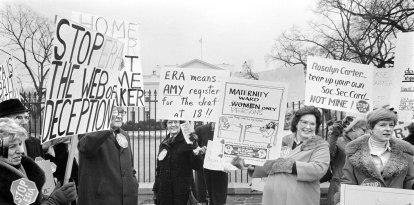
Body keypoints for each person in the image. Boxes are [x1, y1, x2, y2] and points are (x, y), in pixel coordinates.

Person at [233, 106, 330, 205]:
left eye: (312, 124)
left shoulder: (321, 145)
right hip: (273, 197)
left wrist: (289, 165)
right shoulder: (281, 141)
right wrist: (250, 167)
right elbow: (271, 166)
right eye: (304, 122)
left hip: (300, 199)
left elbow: (318, 169)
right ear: (296, 123)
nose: (308, 127)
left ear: (316, 126)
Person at [334, 108, 414, 204]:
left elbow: (409, 182)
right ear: (371, 128)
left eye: (391, 125)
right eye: (382, 125)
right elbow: (348, 181)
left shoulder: (405, 152)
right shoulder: (354, 151)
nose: (388, 129)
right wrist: (342, 201)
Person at [0, 118, 77, 205]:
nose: (21, 151)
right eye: (12, 146)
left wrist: (54, 195)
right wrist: (55, 201)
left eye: (20, 144)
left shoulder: (23, 166)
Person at [77, 106, 138, 205]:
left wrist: (133, 184)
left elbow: (129, 166)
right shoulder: (88, 130)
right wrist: (108, 129)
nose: (119, 116)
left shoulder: (124, 135)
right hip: (102, 199)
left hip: (126, 199)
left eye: (121, 112)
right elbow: (86, 148)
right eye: (115, 112)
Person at [153, 120, 205, 205]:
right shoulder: (164, 143)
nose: (173, 125)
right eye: (170, 122)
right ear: (166, 125)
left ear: (180, 124)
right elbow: (159, 169)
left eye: (176, 122)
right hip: (165, 194)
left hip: (182, 194)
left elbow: (197, 166)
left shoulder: (189, 142)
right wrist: (156, 190)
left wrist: (196, 151)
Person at [326, 115, 367, 205]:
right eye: (363, 130)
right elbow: (327, 155)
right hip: (339, 186)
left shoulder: (362, 144)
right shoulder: (338, 140)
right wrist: (333, 136)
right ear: (354, 128)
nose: (365, 133)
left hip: (357, 186)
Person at [195, 122, 228, 205]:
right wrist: (200, 150)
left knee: (219, 201)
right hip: (203, 174)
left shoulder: (229, 130)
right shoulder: (200, 130)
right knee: (202, 201)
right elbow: (194, 150)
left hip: (220, 174)